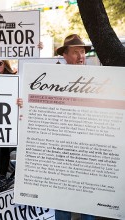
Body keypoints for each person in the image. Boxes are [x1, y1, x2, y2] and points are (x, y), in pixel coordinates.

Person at [55, 34, 95, 220]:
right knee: (63, 199)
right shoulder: (53, 80)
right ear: (65, 55)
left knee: (89, 199)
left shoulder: (97, 78)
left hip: (89, 149)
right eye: (75, 52)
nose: (80, 56)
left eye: (82, 52)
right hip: (63, 150)